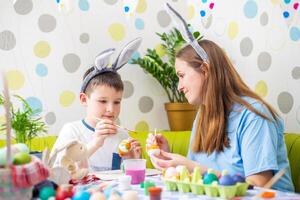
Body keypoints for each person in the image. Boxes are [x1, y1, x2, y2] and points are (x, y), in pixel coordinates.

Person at [147, 39, 294, 192]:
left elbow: (259, 184)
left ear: (205, 70)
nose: (179, 87)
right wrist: (168, 158)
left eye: (182, 75)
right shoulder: (203, 115)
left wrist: (192, 167)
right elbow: (196, 177)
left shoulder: (254, 115)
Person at [51, 38, 142, 172]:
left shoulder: (122, 136)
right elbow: (58, 172)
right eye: (102, 101)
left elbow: (125, 179)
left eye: (117, 102)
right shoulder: (72, 132)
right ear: (84, 100)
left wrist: (132, 161)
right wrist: (95, 143)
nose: (111, 109)